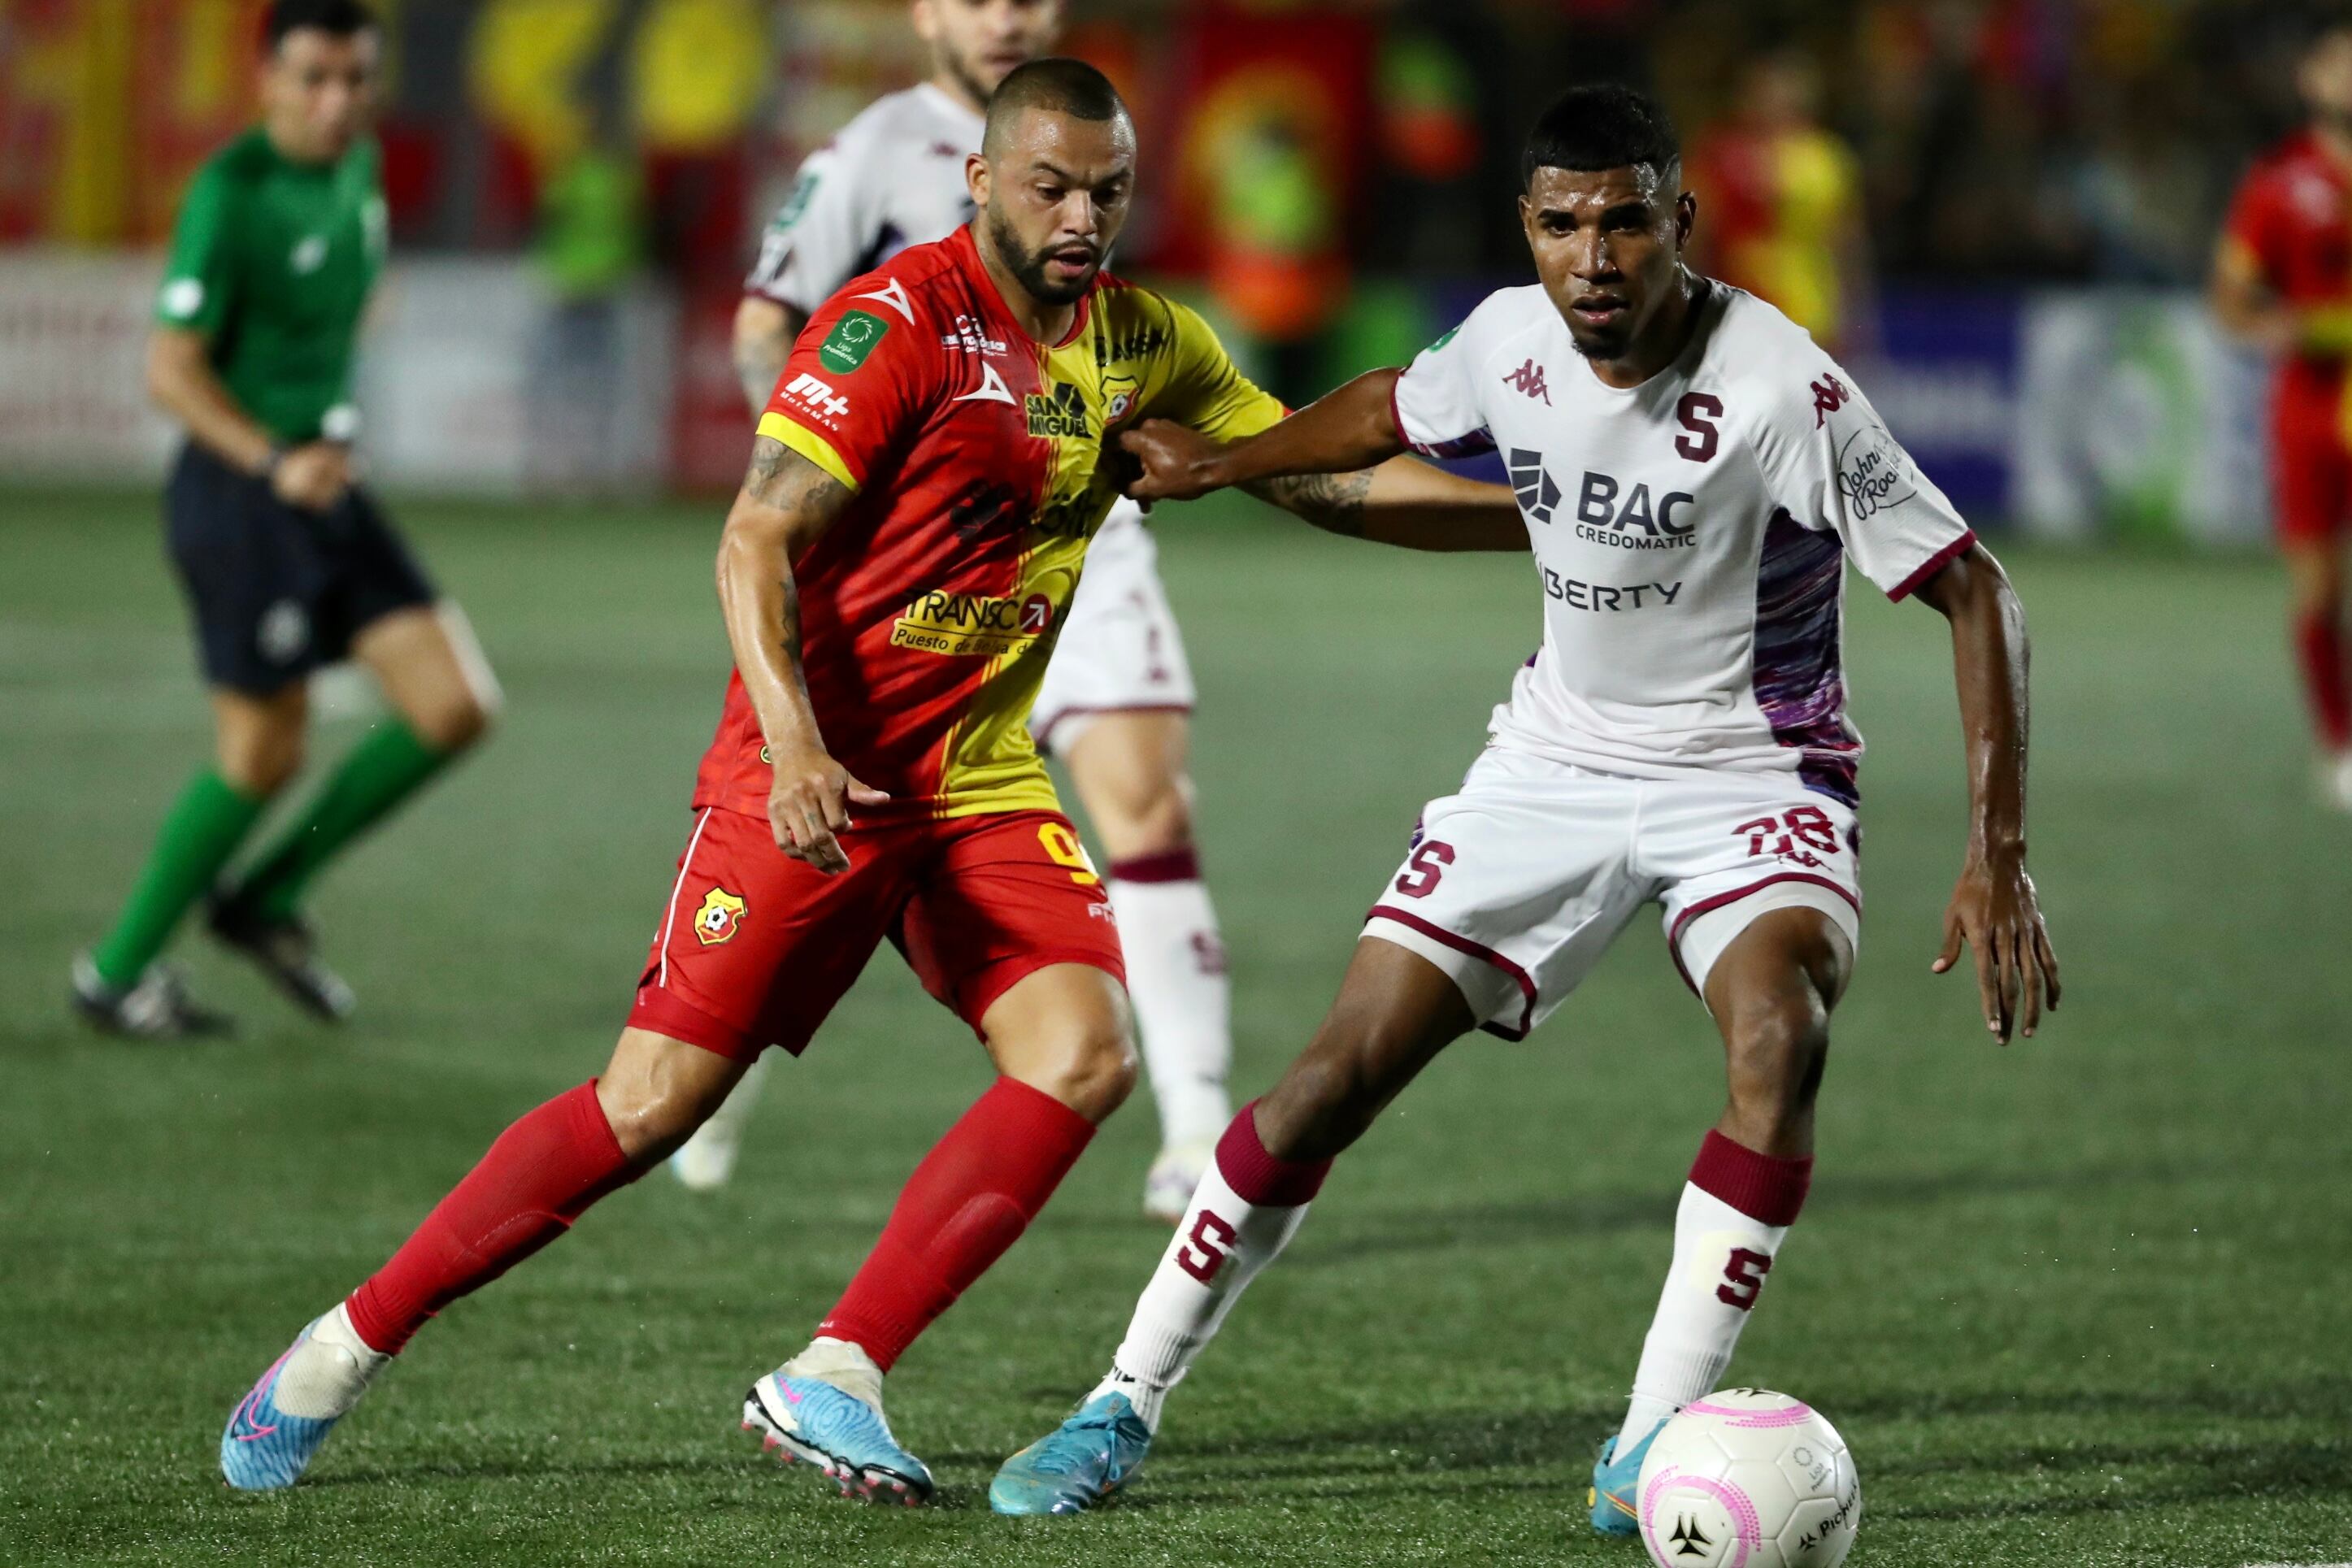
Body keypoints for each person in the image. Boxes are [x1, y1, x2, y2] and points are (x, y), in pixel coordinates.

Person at [215, 59, 1520, 1501]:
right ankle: (341, 1344)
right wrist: (788, 744)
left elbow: (1315, 476)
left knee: (1083, 1053)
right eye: (1049, 185)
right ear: (981, 181)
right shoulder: (897, 324)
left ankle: (836, 1367)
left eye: (1108, 190)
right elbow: (752, 541)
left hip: (975, 782)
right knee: (648, 1106)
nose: (1083, 215)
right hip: (814, 777)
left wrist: (1553, 515)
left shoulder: (1143, 339)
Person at [988, 84, 2060, 1530]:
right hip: (1548, 762)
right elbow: (1390, 405)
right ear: (1527, 230)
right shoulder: (1506, 338)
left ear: (1677, 220)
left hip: (1749, 772)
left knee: (1777, 1032)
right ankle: (1118, 1396)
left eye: (1625, 220)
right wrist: (1223, 462)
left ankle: (1642, 1441)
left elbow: (1972, 585)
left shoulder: (1778, 386)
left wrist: (1995, 849)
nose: (1594, 255)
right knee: (1323, 1083)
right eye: (1561, 224)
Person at [691, 0, 1237, 1223]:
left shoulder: (1095, 135)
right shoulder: (870, 150)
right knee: (832, 829)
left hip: (1068, 533)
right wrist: (829, 469)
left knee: (1148, 798)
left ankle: (1195, 1123)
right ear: (926, 12)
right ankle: (712, 1061)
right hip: (915, 563)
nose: (1007, 17)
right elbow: (764, 324)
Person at [70, 0, 498, 1038]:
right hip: (243, 500)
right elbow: (168, 370)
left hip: (329, 489)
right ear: (264, 79)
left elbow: (343, 301)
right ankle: (116, 975)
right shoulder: (232, 192)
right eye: (313, 78)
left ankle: (262, 901)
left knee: (453, 706)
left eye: (356, 80)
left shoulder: (356, 169)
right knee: (262, 754)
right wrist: (272, 457)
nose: (336, 101)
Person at [2213, 19, 2352, 810]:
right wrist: (2275, 327)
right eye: (2342, 65)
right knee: (2320, 587)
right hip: (2312, 405)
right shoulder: (2279, 183)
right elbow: (2230, 298)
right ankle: (2337, 743)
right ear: (2313, 80)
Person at [1685, 47, 1871, 357]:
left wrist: (1856, 315)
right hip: (1738, 309)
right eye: (1763, 90)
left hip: (1810, 312)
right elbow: (1693, 237)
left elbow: (1846, 241)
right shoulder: (1718, 155)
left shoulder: (1825, 158)